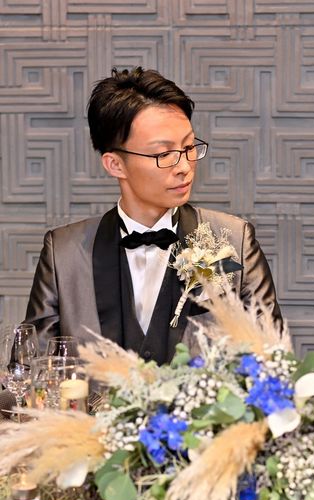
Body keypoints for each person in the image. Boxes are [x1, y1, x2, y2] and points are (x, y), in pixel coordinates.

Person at [24, 67, 282, 365]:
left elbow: (272, 360)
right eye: (164, 154)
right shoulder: (63, 254)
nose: (184, 166)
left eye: (189, 147)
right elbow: (34, 369)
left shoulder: (234, 241)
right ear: (115, 164)